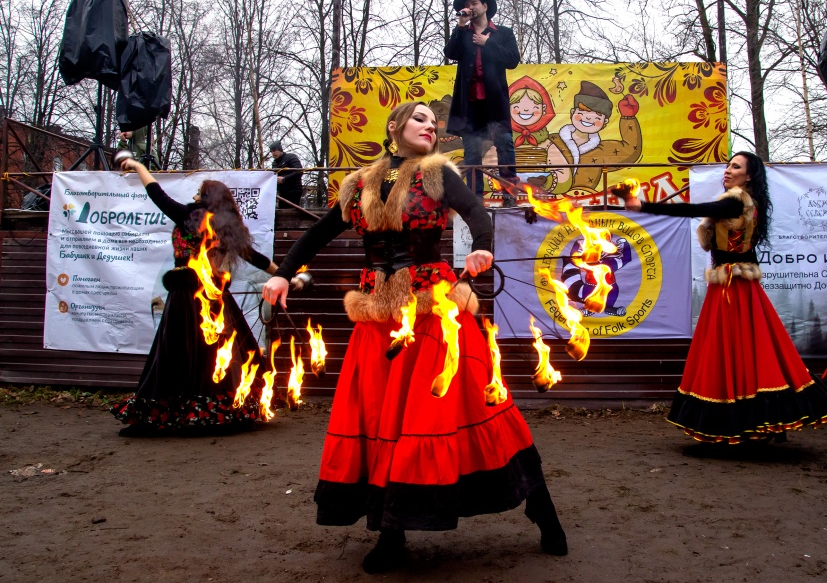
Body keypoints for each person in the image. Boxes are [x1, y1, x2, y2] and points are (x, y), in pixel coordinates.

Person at [261, 101, 567, 574]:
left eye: (434, 121)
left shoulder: (440, 173)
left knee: (480, 409)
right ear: (395, 126)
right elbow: (320, 233)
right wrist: (283, 274)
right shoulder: (360, 183)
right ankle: (391, 531)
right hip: (378, 317)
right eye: (420, 118)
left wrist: (484, 247)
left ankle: (541, 509)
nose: (431, 126)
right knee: (387, 420)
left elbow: (475, 213)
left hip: (433, 313)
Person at [621, 152, 827, 443]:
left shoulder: (735, 200)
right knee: (747, 349)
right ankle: (762, 420)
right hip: (735, 285)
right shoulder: (744, 203)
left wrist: (644, 205)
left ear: (748, 176)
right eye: (727, 165)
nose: (728, 170)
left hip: (732, 288)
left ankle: (749, 420)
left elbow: (693, 208)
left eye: (735, 166)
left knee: (733, 349)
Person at [111, 158, 280, 435]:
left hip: (188, 298)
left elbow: (156, 194)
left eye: (198, 193)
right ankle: (222, 410)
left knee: (184, 353)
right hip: (215, 300)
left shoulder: (192, 217)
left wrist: (139, 166)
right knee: (213, 355)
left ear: (206, 199)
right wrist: (285, 274)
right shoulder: (228, 227)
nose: (193, 196)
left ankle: (183, 412)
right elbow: (258, 259)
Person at [443, 0, 520, 204]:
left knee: (505, 145)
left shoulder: (503, 33)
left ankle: (509, 197)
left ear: (485, 6)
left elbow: (513, 59)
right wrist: (459, 26)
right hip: (470, 106)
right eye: (467, 5)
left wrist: (488, 44)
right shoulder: (463, 33)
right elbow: (450, 53)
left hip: (495, 104)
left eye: (474, 3)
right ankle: (475, 202)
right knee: (472, 155)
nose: (470, 7)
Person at [270, 140, 303, 206]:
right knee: (283, 213)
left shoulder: (291, 157)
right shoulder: (274, 163)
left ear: (279, 150)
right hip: (282, 192)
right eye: (271, 152)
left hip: (294, 190)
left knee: (292, 213)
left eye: (274, 151)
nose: (273, 153)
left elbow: (299, 171)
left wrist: (285, 179)